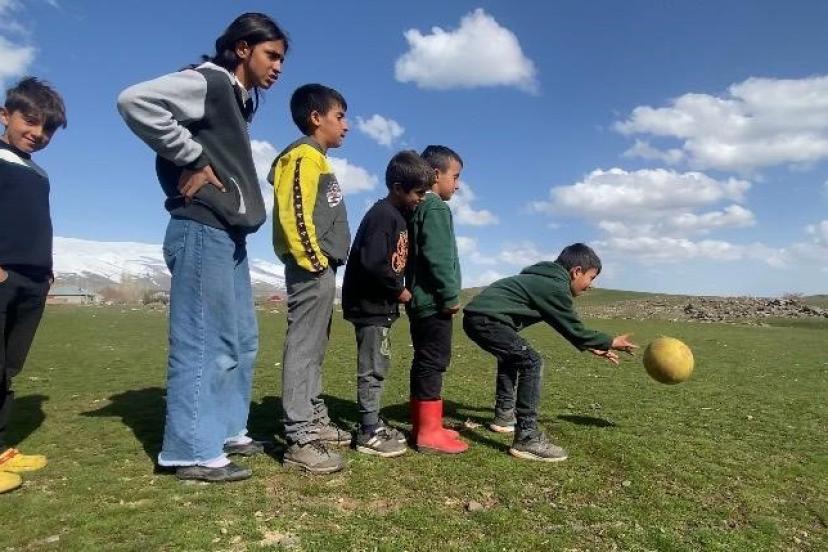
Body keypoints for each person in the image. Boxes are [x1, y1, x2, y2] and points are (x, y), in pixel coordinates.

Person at [117, 12, 288, 482]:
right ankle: (190, 450)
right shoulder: (209, 81)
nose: (277, 67)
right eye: (271, 55)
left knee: (241, 340)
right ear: (242, 48)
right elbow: (135, 101)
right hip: (200, 227)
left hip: (229, 233)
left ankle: (227, 430)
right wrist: (191, 157)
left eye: (281, 59)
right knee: (204, 339)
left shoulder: (235, 98)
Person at [462, 243, 637, 461]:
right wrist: (610, 341)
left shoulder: (544, 279)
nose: (591, 286)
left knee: (512, 358)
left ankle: (504, 416)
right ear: (577, 271)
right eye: (591, 278)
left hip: (478, 318)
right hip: (488, 321)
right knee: (531, 361)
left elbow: (563, 326)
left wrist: (593, 345)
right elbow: (574, 328)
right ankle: (527, 438)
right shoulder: (554, 287)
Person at [269, 83, 351, 474]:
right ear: (316, 118)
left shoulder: (319, 159)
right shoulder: (302, 156)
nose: (346, 125)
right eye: (340, 117)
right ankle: (299, 436)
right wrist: (314, 260)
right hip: (311, 267)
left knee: (315, 347)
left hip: (321, 267)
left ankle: (315, 419)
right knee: (303, 347)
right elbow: (295, 211)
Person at [342, 151, 432, 458]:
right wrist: (399, 290)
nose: (421, 199)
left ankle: (372, 420)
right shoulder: (383, 216)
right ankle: (368, 431)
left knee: (379, 364)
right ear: (397, 188)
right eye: (418, 192)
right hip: (370, 307)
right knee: (373, 368)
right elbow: (374, 263)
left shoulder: (396, 216)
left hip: (378, 308)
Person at [0, 77, 67, 480]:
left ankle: (1, 451)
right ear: (4, 115)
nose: (38, 133)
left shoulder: (39, 173)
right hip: (2, 277)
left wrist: (46, 271)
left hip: (33, 281)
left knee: (7, 369)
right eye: (30, 121)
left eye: (48, 128)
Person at [406, 145, 467, 454]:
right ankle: (429, 433)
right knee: (434, 361)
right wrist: (450, 295)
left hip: (419, 301)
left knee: (424, 360)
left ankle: (423, 424)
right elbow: (439, 257)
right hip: (433, 302)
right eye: (455, 177)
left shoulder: (418, 207)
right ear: (435, 174)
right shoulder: (436, 208)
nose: (457, 185)